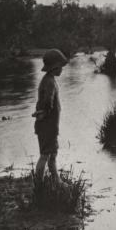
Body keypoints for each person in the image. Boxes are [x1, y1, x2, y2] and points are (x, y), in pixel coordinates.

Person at [32, 49, 68, 184]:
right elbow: (48, 101)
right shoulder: (50, 82)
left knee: (52, 154)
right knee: (45, 155)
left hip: (50, 125)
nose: (62, 70)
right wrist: (44, 112)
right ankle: (39, 183)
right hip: (47, 125)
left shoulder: (49, 80)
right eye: (60, 67)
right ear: (55, 67)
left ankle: (56, 180)